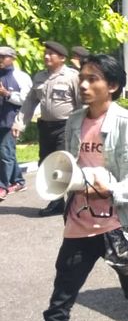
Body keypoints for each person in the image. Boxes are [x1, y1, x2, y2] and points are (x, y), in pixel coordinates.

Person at [31, 54, 128, 321]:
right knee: (60, 301)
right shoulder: (74, 121)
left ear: (113, 85)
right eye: (82, 77)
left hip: (120, 224)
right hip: (79, 224)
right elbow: (67, 167)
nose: (84, 84)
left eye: (93, 78)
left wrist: (112, 191)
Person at [13, 41, 81, 216]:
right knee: (46, 163)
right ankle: (57, 203)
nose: (46, 56)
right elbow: (29, 102)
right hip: (45, 127)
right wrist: (20, 123)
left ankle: (74, 201)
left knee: (64, 163)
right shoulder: (39, 77)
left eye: (51, 53)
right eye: (45, 53)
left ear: (62, 58)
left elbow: (81, 104)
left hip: (65, 127)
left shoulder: (72, 76)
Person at [0, 46, 32, 199]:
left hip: (11, 122)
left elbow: (27, 100)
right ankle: (18, 181)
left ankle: (2, 186)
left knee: (5, 153)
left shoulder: (21, 77)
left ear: (12, 58)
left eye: (3, 57)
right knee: (8, 153)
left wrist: (6, 93)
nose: (0, 59)